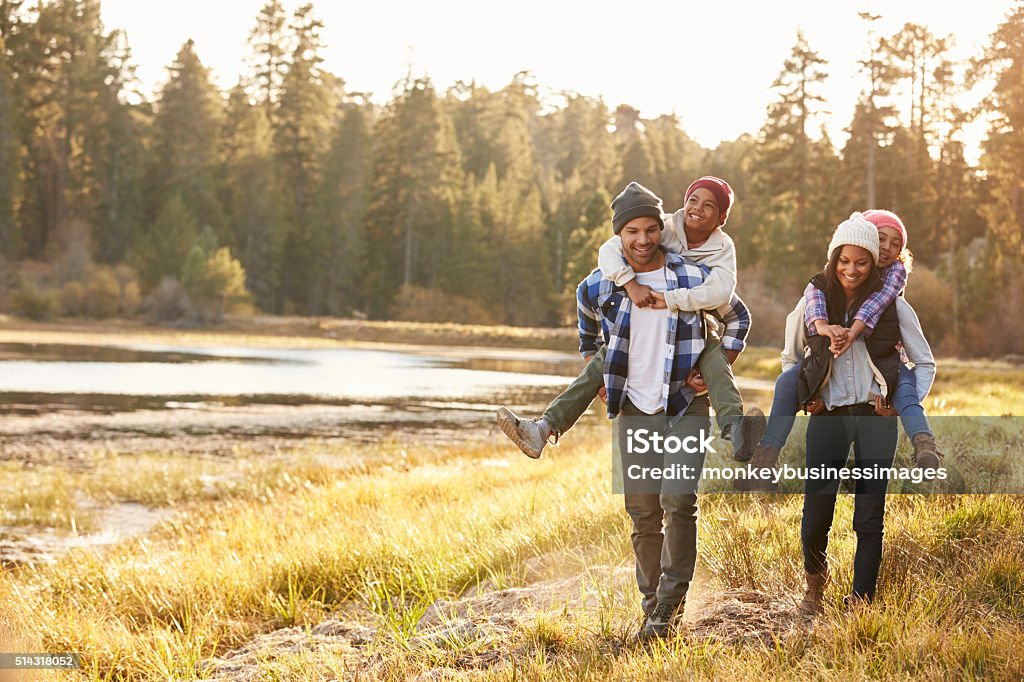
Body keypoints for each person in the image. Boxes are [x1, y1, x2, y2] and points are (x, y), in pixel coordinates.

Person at [565, 182, 748, 641]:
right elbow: (584, 308)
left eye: (650, 229)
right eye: (632, 231)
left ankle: (668, 608)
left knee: (679, 501)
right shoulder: (605, 279)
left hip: (685, 402)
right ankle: (653, 612)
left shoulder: (689, 276)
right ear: (619, 237)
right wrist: (595, 362)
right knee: (643, 512)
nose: (643, 239)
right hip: (633, 405)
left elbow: (737, 315)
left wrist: (718, 362)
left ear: (659, 232)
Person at [497, 177, 750, 459]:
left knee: (713, 353)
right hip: (632, 348)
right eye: (693, 200)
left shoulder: (719, 252)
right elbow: (608, 253)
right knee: (604, 357)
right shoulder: (663, 228)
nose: (643, 239)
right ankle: (543, 429)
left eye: (709, 206)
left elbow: (728, 299)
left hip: (694, 330)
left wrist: (675, 303)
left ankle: (735, 428)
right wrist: (630, 283)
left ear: (721, 218)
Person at [780, 214, 936, 614]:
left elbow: (925, 363)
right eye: (845, 261)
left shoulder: (894, 307)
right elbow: (790, 358)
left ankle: (862, 600)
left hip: (874, 419)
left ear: (873, 263)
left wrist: (898, 404)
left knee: (869, 516)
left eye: (863, 261)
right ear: (835, 259)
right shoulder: (814, 302)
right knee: (817, 511)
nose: (853, 269)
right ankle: (814, 587)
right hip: (828, 417)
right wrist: (806, 396)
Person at [737, 209, 941, 491]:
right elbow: (793, 349)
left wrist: (854, 332)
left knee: (904, 392)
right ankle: (766, 458)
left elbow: (879, 306)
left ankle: (924, 444)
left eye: (896, 244)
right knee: (787, 382)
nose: (887, 248)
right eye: (881, 239)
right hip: (829, 386)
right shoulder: (819, 288)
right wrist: (811, 390)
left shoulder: (892, 286)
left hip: (883, 373)